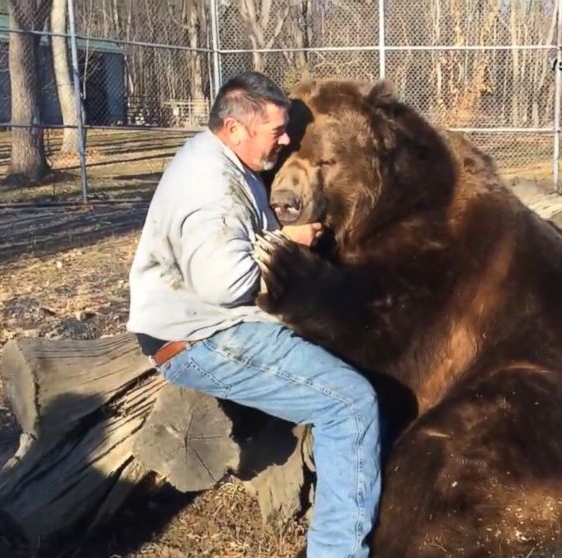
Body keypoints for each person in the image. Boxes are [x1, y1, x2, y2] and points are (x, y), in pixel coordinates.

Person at [126, 71, 382, 558]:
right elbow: (224, 284)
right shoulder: (212, 187)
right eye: (277, 131)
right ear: (236, 128)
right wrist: (289, 241)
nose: (285, 140)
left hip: (207, 325)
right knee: (349, 404)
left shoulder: (218, 157)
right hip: (202, 338)